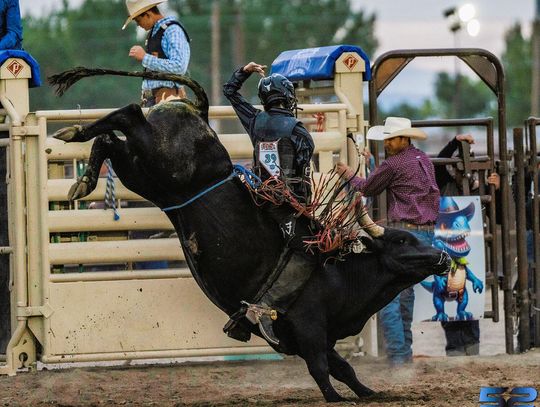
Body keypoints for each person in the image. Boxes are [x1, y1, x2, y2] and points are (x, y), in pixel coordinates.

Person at [223, 62, 316, 345]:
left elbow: (230, 91)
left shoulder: (255, 121)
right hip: (288, 206)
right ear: (287, 98)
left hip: (258, 199)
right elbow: (303, 164)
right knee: (308, 254)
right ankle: (264, 308)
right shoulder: (298, 131)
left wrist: (243, 71)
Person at [336, 116, 440, 365]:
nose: (387, 143)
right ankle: (404, 354)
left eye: (391, 139)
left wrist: (348, 174)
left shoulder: (394, 164)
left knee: (390, 297)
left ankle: (398, 356)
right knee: (406, 295)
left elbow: (368, 188)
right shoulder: (422, 159)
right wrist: (373, 166)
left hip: (404, 234)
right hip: (425, 234)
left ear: (404, 138)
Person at [435, 134, 501, 356]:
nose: (463, 171)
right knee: (450, 298)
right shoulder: (444, 185)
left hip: (470, 252)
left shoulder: (481, 189)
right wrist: (454, 141)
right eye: (458, 165)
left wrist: (497, 191)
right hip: (449, 251)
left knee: (470, 300)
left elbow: (498, 215)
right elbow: (439, 162)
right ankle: (455, 348)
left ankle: (472, 349)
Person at [123, 0, 190, 107]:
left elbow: (179, 66)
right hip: (155, 101)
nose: (138, 25)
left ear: (148, 14)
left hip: (169, 100)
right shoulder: (155, 32)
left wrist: (145, 58)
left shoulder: (172, 30)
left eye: (138, 20)